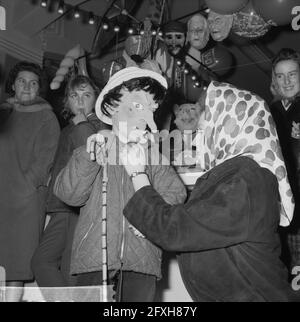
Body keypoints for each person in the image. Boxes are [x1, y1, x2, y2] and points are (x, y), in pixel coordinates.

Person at [120, 80, 297, 301]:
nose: (199, 134)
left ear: (231, 122)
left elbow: (177, 230)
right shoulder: (232, 176)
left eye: (204, 125)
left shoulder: (249, 180)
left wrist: (138, 175)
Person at [53, 67, 187, 302]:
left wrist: (149, 218)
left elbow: (176, 193)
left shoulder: (154, 156)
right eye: (137, 106)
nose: (147, 118)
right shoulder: (92, 148)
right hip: (95, 258)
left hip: (141, 261)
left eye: (151, 109)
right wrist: (89, 157)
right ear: (111, 107)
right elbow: (69, 194)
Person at [31, 75, 109, 297]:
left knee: (70, 272)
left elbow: (93, 155)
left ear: (97, 99)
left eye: (87, 95)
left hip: (81, 207)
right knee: (41, 263)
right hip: (60, 207)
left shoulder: (98, 125)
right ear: (67, 100)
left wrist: (83, 123)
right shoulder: (69, 127)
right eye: (75, 96)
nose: (81, 101)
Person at [0, 61, 60, 301]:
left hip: (25, 202)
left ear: (39, 89)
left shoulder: (46, 117)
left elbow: (45, 160)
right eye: (22, 81)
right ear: (13, 85)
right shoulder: (3, 113)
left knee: (16, 261)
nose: (27, 86)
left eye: (33, 82)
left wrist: (25, 187)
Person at [270, 48, 300, 272]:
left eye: (293, 74)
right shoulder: (268, 111)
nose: (287, 81)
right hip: (282, 201)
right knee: (286, 262)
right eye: (281, 76)